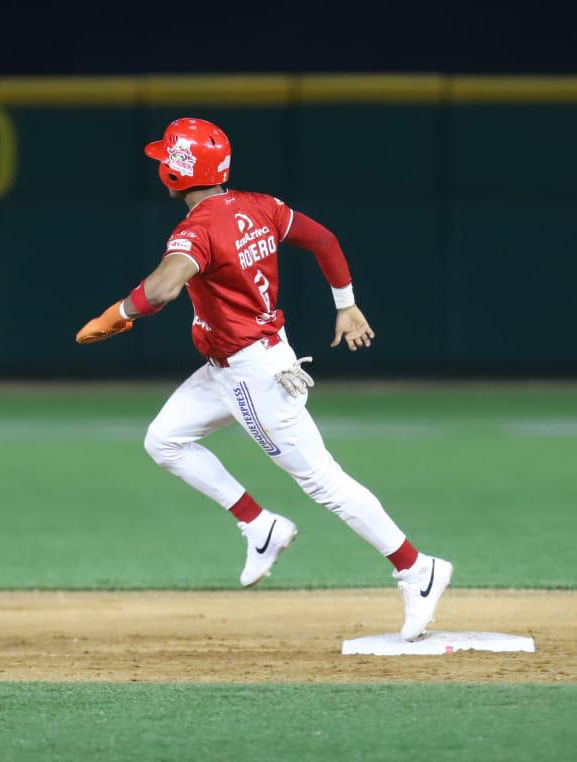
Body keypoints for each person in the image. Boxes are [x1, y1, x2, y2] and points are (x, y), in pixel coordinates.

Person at [76, 118, 451, 641]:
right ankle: (259, 524)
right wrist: (346, 303)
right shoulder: (259, 206)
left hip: (254, 373)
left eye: (166, 157)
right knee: (164, 440)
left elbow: (162, 289)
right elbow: (324, 240)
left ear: (177, 171)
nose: (160, 164)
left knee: (324, 481)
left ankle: (418, 569)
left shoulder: (197, 228)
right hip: (232, 365)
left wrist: (118, 312)